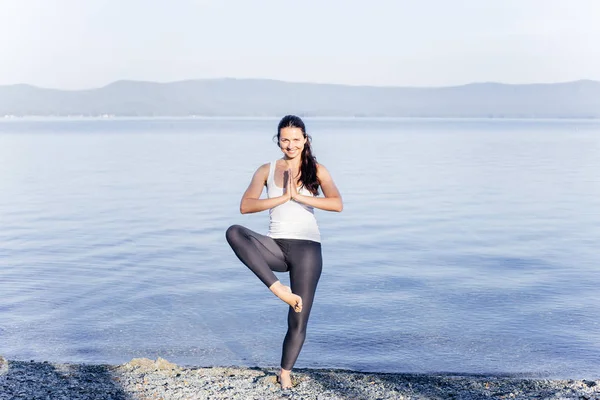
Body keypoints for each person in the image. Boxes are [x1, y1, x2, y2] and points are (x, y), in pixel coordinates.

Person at [225, 115, 343, 389]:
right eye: (284, 139)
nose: (290, 144)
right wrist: (282, 197)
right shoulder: (266, 169)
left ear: (305, 140)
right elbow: (246, 206)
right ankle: (278, 289)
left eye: (295, 139)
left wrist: (300, 196)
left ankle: (285, 371)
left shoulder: (317, 169)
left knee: (298, 319)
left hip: (308, 250)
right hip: (275, 246)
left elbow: (337, 204)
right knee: (234, 231)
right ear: (278, 140)